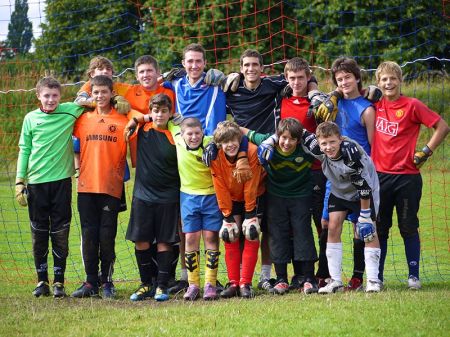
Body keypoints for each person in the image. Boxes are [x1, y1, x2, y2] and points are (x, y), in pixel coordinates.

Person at [373, 61, 449, 289]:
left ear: (400, 81)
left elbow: (442, 126)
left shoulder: (412, 105)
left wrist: (426, 152)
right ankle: (378, 276)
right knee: (380, 228)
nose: (389, 83)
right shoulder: (374, 105)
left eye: (393, 78)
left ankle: (413, 276)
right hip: (379, 176)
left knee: (407, 226)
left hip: (407, 177)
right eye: (384, 79)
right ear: (379, 83)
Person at [15, 77, 85, 298]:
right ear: (38, 96)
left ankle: (59, 282)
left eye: (55, 95)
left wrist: (111, 97)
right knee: (39, 233)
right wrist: (19, 181)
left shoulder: (70, 111)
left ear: (60, 96)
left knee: (61, 232)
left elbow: (94, 101)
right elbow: (24, 150)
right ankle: (41, 280)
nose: (51, 99)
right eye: (46, 95)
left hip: (62, 182)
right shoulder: (30, 118)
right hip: (36, 184)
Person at [300, 121, 382, 293]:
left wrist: (365, 215)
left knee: (368, 231)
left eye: (332, 142)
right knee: (332, 227)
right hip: (339, 190)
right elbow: (297, 130)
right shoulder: (317, 147)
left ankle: (373, 281)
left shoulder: (351, 155)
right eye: (324, 143)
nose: (328, 147)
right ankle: (335, 281)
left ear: (340, 139)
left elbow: (364, 188)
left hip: (364, 192)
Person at [70, 75, 131, 299]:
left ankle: (107, 282)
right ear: (91, 94)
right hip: (86, 186)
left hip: (111, 187)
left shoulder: (124, 119)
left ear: (111, 93)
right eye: (95, 92)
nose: (100, 96)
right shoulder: (82, 120)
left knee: (107, 235)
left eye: (104, 92)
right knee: (88, 235)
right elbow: (72, 144)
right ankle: (90, 282)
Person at [244, 118, 319, 295]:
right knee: (277, 234)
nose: (287, 142)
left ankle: (308, 279)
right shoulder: (267, 142)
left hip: (301, 196)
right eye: (283, 137)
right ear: (277, 136)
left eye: (292, 139)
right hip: (276, 196)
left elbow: (330, 142)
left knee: (303, 232)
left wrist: (309, 135)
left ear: (298, 140)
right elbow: (244, 132)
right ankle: (281, 279)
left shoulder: (307, 148)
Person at [320, 56, 376, 291]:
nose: (344, 82)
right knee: (328, 223)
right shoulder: (333, 105)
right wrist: (332, 95)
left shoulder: (367, 109)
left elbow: (373, 146)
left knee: (362, 227)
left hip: (357, 176)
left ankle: (360, 277)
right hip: (334, 178)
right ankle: (331, 278)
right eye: (339, 79)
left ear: (357, 78)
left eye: (348, 78)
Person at [123, 94, 180, 301]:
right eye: (156, 111)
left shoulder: (177, 134)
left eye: (164, 111)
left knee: (165, 241)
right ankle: (146, 283)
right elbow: (130, 113)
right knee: (141, 240)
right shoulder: (141, 128)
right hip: (143, 195)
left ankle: (162, 286)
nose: (159, 115)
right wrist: (141, 118)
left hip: (169, 195)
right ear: (151, 111)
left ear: (170, 113)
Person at [279, 57, 329, 288]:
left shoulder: (317, 102)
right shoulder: (280, 99)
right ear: (286, 79)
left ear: (308, 78)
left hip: (316, 170)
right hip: (289, 172)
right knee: (294, 224)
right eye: (292, 78)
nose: (297, 82)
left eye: (301, 77)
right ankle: (299, 274)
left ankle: (324, 271)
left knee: (322, 222)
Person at [209, 121, 265, 299]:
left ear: (239, 139)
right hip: (231, 198)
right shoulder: (215, 156)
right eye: (225, 142)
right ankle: (233, 282)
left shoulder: (252, 151)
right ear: (219, 144)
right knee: (230, 234)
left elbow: (252, 183)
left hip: (254, 195)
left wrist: (250, 214)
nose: (230, 145)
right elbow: (220, 187)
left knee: (251, 232)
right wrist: (227, 215)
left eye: (233, 140)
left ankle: (245, 283)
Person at [171, 117, 222, 301]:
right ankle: (193, 285)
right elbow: (165, 119)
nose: (193, 137)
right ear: (182, 134)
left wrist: (214, 144)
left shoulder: (210, 142)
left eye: (197, 133)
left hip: (211, 196)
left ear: (203, 132)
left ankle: (210, 284)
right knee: (191, 238)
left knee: (210, 237)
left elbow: (223, 135)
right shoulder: (176, 137)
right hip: (188, 197)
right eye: (189, 134)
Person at [163, 43, 226, 136]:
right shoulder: (176, 83)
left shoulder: (216, 84)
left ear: (205, 62)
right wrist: (163, 76)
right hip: (183, 141)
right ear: (183, 63)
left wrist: (234, 76)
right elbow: (151, 82)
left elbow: (238, 83)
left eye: (198, 61)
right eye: (190, 61)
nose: (194, 65)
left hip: (209, 140)